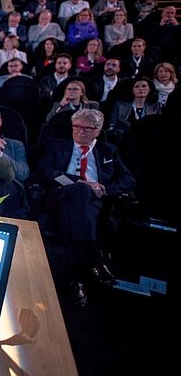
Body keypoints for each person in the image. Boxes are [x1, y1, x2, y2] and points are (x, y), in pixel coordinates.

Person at [38, 109, 135, 307]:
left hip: (93, 203)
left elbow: (128, 179)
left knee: (75, 208)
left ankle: (76, 278)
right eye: (77, 127)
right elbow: (45, 171)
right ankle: (95, 259)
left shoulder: (108, 151)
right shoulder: (57, 146)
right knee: (80, 192)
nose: (80, 132)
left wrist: (105, 188)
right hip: (60, 193)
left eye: (87, 128)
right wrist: (81, 182)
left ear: (98, 131)